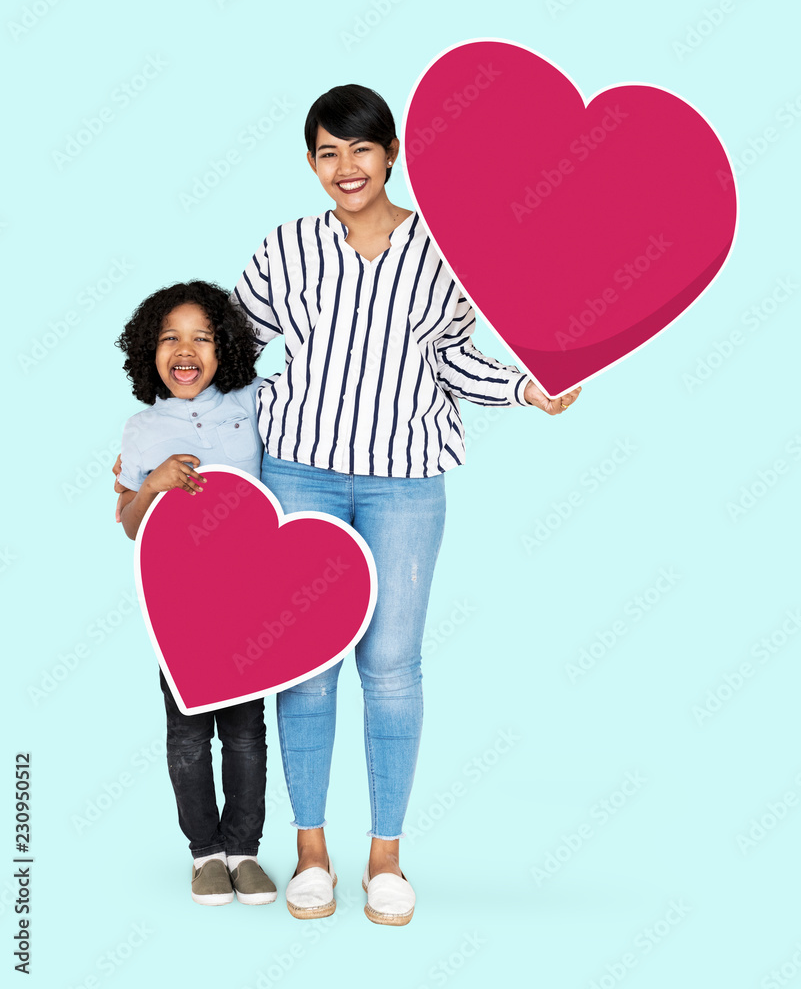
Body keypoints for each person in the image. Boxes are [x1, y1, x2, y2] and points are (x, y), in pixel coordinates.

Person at [229, 84, 581, 926]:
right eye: (326, 153)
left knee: (391, 666)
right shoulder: (286, 249)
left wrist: (525, 387)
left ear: (390, 154)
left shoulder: (445, 249)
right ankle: (310, 851)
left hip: (405, 481)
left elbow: (455, 359)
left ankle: (384, 859)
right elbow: (235, 347)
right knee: (305, 667)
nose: (344, 169)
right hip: (299, 473)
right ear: (311, 163)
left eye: (359, 150)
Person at [115, 280, 277, 907]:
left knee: (245, 730)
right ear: (148, 352)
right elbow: (129, 524)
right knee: (186, 732)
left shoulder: (253, 402)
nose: (186, 351)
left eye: (202, 338)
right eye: (170, 339)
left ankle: (245, 850)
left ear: (225, 346)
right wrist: (150, 485)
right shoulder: (140, 428)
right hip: (179, 606)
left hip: (252, 601)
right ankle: (205, 854)